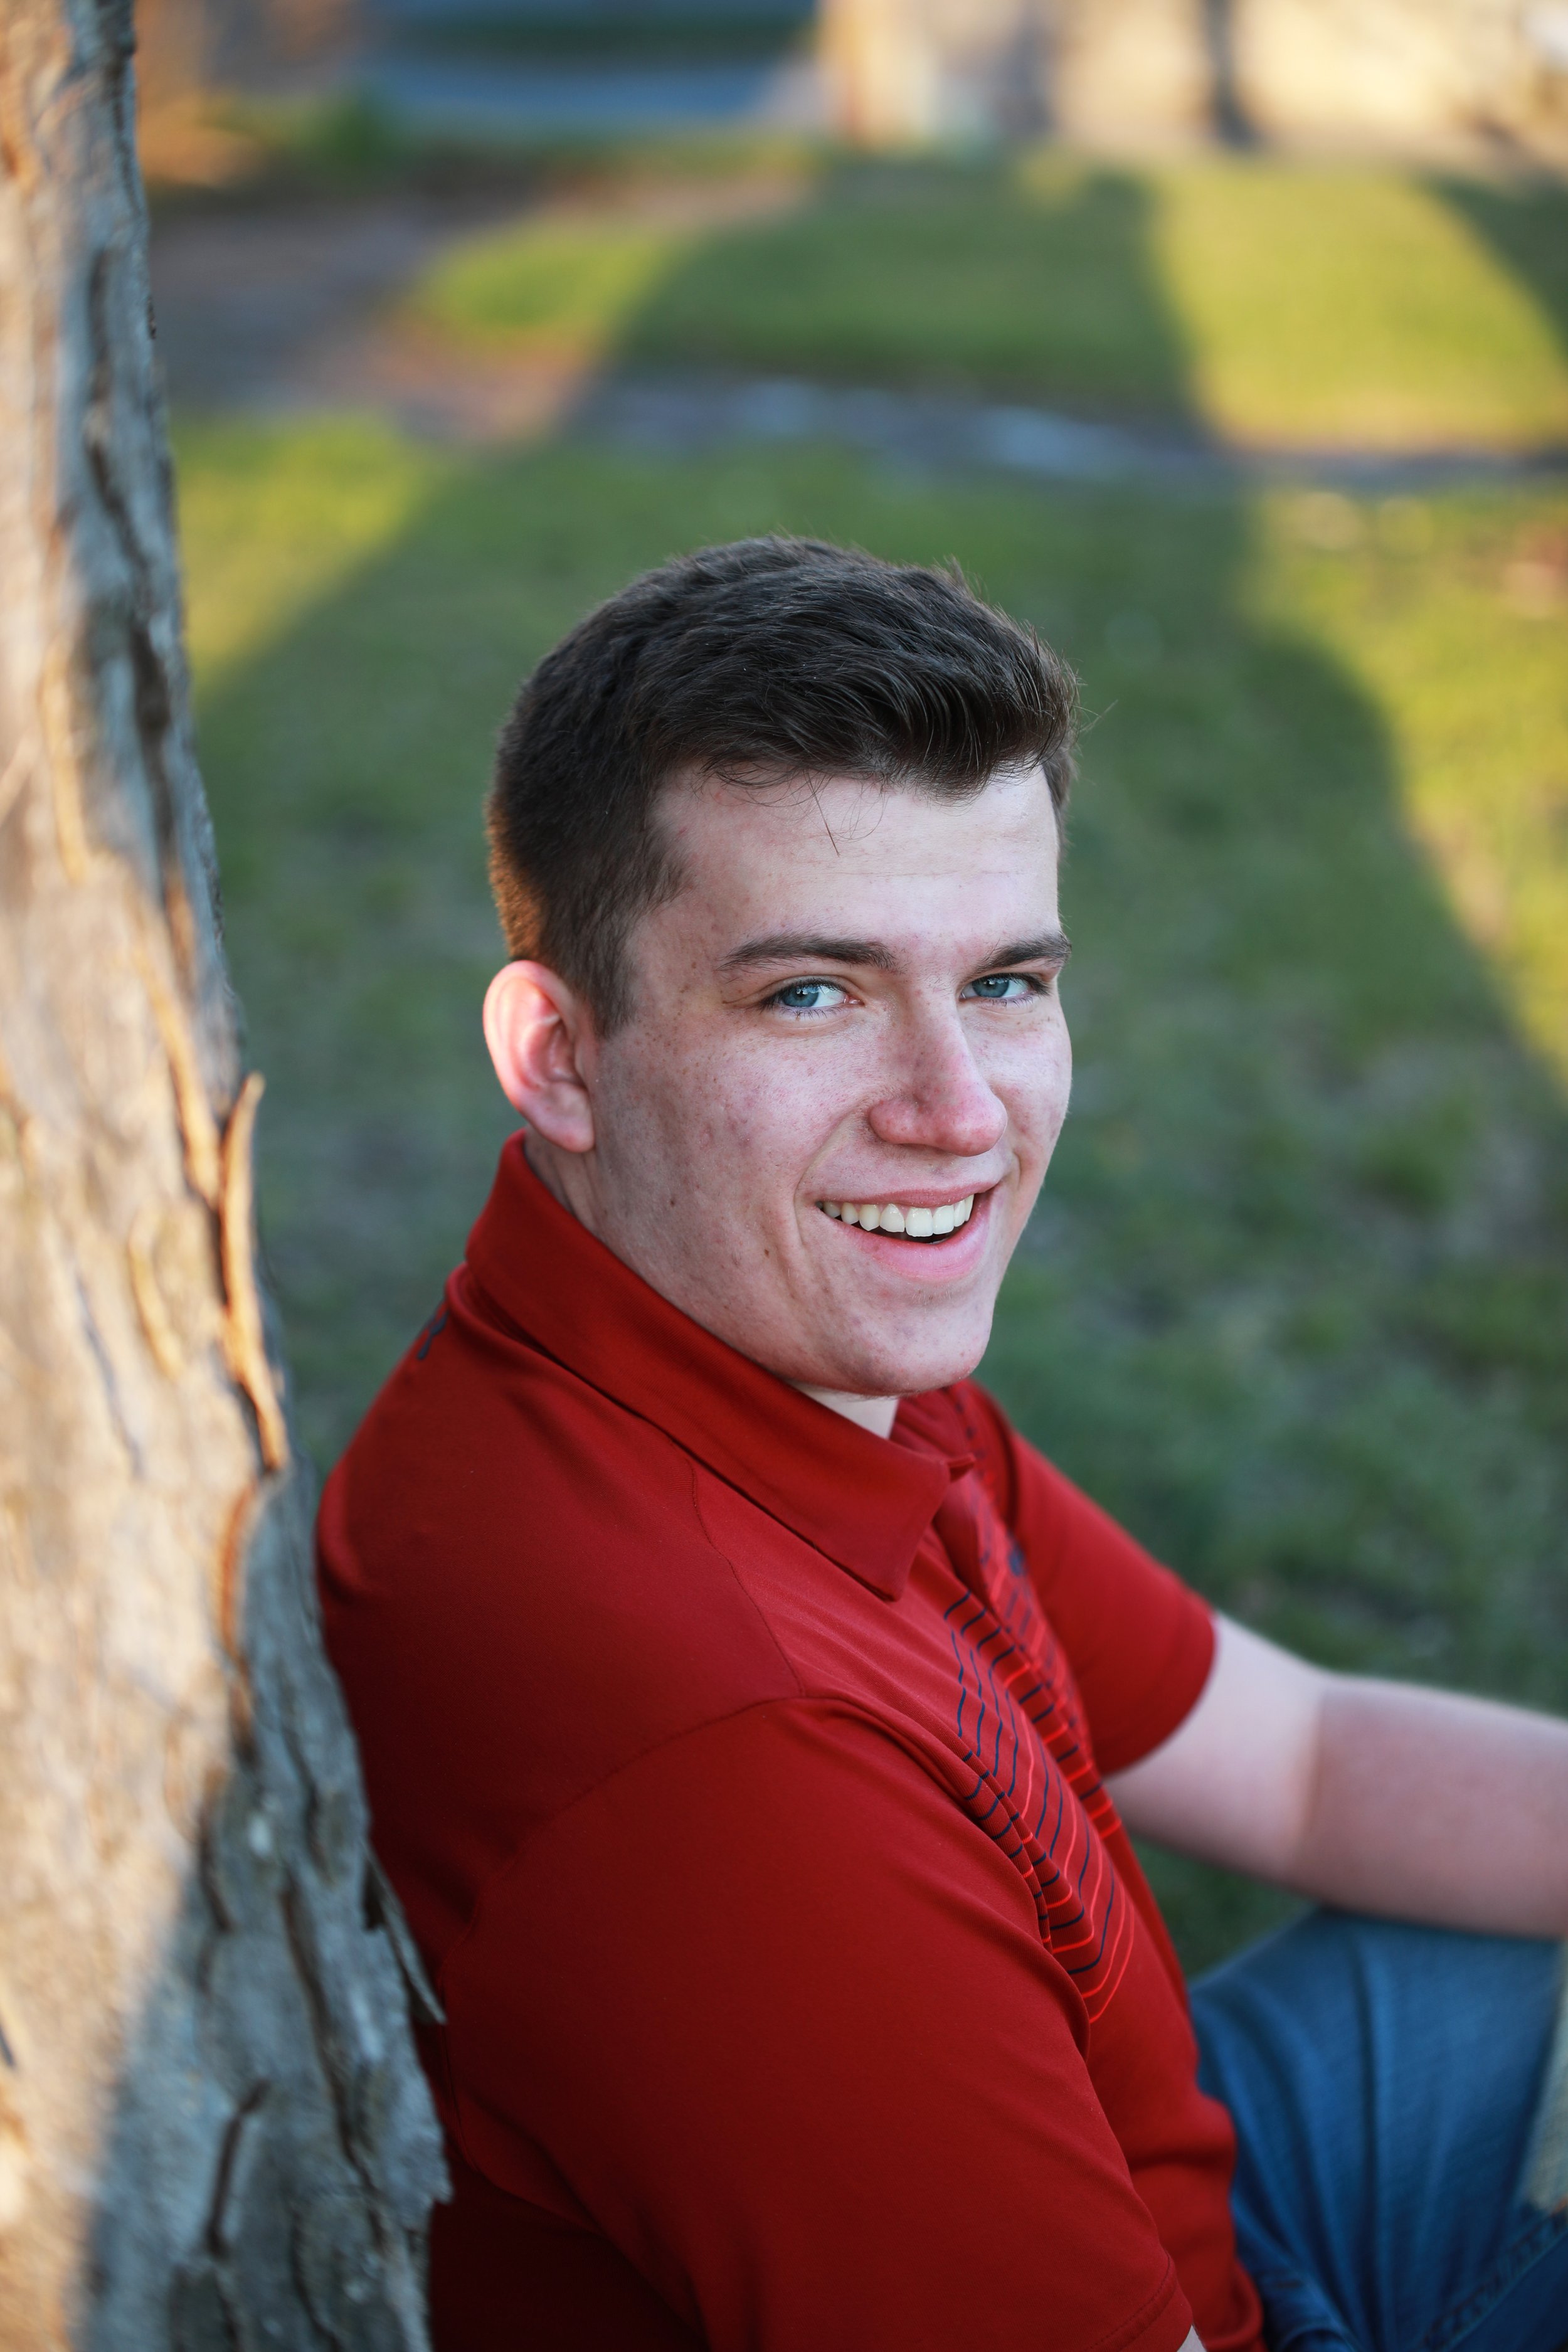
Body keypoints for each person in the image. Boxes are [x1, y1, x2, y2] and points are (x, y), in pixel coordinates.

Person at [317, 538, 1568, 2352]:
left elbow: (1289, 1757)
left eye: (1004, 981)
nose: (956, 1113)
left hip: (1188, 2193)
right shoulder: (720, 1759)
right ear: (559, 1058)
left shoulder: (766, 1361)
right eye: (809, 994)